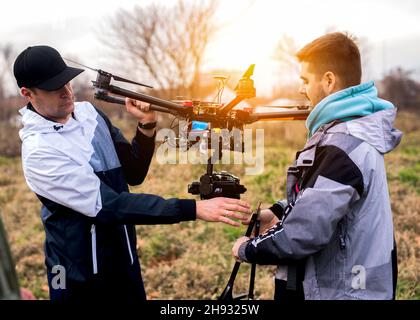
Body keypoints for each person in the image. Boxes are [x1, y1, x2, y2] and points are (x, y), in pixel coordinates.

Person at [13, 45, 252, 301]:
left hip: (123, 256)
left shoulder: (88, 114)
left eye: (67, 81)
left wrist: (146, 125)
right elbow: (109, 205)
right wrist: (194, 209)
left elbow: (133, 172)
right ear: (28, 93)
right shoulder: (40, 150)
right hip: (74, 273)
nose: (66, 91)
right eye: (53, 87)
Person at [232, 32, 402, 300]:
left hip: (346, 292)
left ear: (329, 81)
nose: (301, 89)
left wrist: (249, 248)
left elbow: (304, 233)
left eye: (305, 80)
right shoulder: (348, 131)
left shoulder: (343, 143)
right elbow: (321, 199)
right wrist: (278, 213)